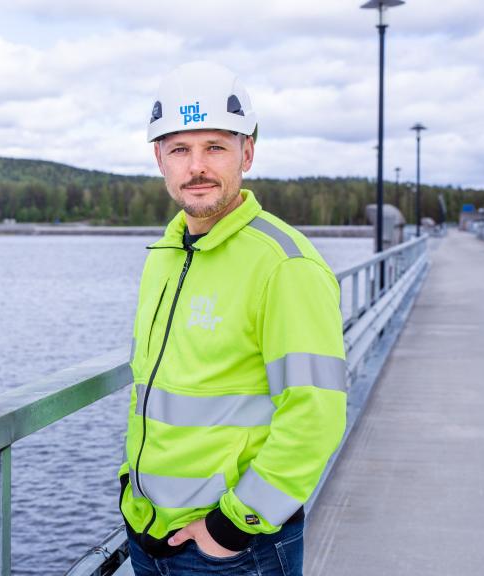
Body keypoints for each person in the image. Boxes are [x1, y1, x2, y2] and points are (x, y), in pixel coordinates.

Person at [118, 61, 347, 576]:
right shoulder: (167, 252)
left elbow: (316, 415)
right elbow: (153, 385)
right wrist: (130, 483)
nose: (196, 166)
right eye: (180, 149)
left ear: (247, 152)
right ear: (159, 158)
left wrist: (231, 528)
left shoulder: (285, 265)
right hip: (148, 532)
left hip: (233, 549)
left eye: (215, 147)